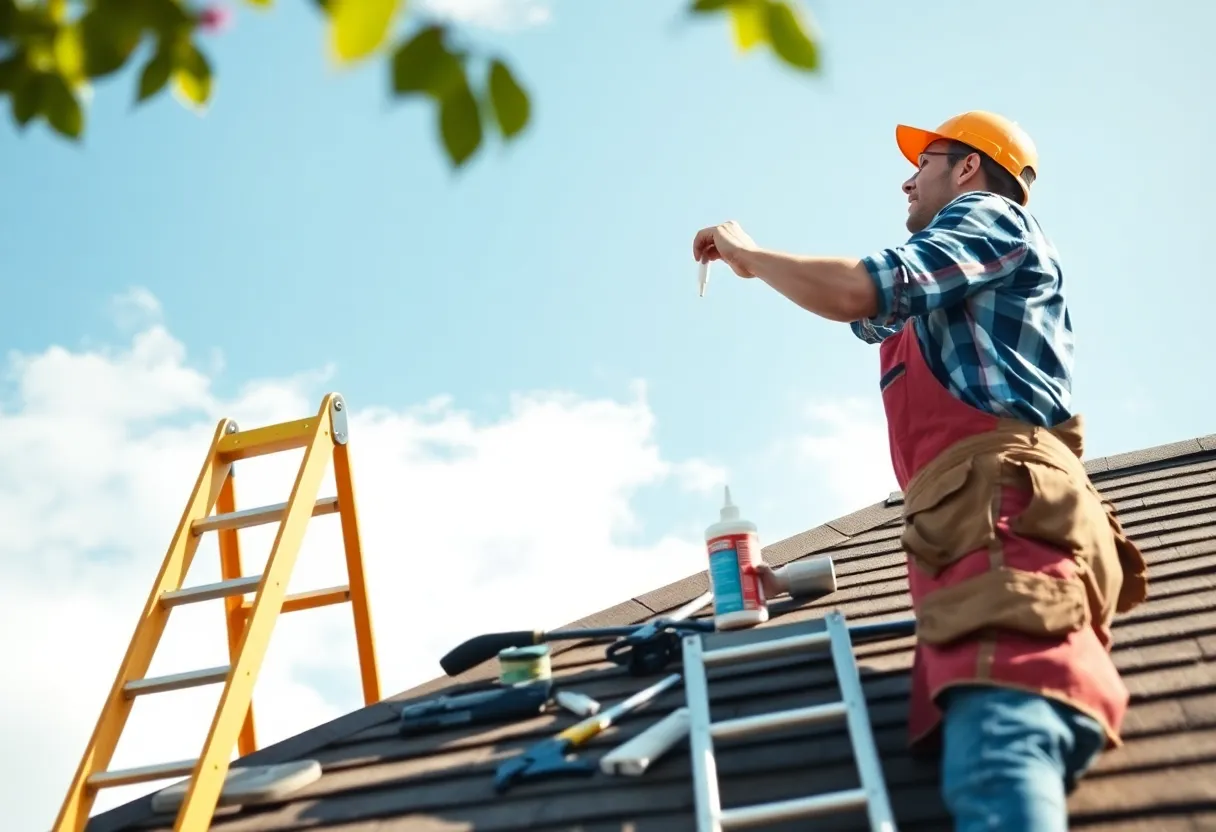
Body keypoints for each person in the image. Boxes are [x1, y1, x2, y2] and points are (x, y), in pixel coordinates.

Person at [693, 110, 1149, 832]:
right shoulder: (947, 286)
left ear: (967, 167)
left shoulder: (989, 216)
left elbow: (860, 288)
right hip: (971, 529)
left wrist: (751, 253)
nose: (908, 178)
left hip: (997, 515)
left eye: (925, 161)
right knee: (987, 738)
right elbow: (864, 311)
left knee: (1000, 749)